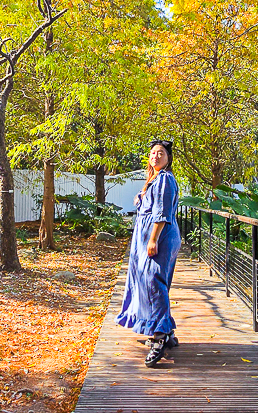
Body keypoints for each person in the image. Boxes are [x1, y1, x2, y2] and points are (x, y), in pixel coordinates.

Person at [115, 139, 182, 367]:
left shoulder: (164, 179)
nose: (155, 156)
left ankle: (159, 338)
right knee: (153, 282)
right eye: (153, 153)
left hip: (159, 236)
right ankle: (167, 330)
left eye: (161, 153)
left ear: (168, 158)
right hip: (149, 236)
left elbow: (161, 212)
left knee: (153, 282)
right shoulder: (153, 180)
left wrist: (153, 239)